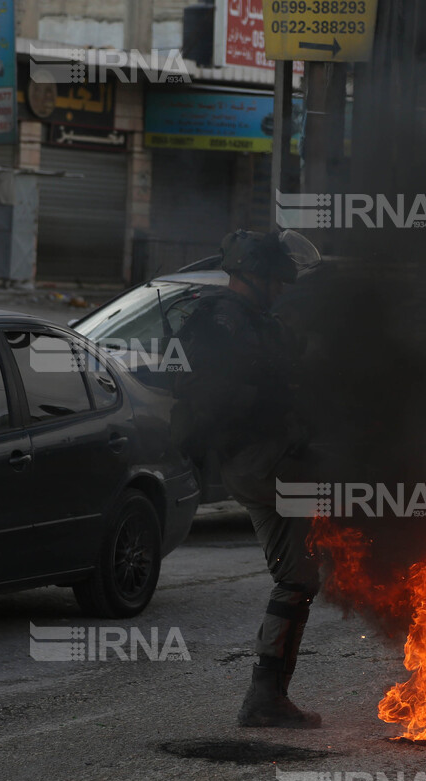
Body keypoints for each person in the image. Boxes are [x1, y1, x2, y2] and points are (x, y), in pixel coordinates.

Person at [170, 229, 324, 728]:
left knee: (296, 578)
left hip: (243, 466)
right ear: (255, 277)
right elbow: (259, 392)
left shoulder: (225, 318)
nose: (283, 291)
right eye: (278, 282)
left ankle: (266, 698)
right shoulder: (233, 324)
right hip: (267, 460)